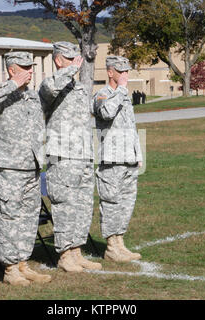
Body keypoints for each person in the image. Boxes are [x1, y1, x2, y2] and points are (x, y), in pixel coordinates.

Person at [0, 51, 52, 286]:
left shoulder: (32, 97)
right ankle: (10, 270)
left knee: (28, 217)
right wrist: (12, 85)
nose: (31, 70)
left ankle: (22, 264)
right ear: (12, 69)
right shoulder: (1, 94)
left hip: (32, 167)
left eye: (32, 66)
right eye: (25, 67)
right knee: (8, 217)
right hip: (7, 168)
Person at [39, 41, 102, 273]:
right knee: (65, 205)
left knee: (83, 205)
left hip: (83, 154)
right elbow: (51, 90)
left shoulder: (80, 88)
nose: (77, 62)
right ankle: (65, 255)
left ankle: (77, 251)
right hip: (63, 155)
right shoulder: (50, 83)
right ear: (58, 60)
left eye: (78, 59)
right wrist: (69, 70)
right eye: (71, 58)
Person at [92, 56, 143, 262]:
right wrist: (121, 90)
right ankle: (111, 247)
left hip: (128, 158)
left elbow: (131, 127)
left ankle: (120, 242)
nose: (125, 75)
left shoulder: (125, 96)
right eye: (120, 71)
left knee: (126, 203)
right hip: (112, 160)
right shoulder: (102, 95)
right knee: (111, 202)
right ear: (110, 72)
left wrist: (138, 154)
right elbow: (106, 113)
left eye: (127, 71)